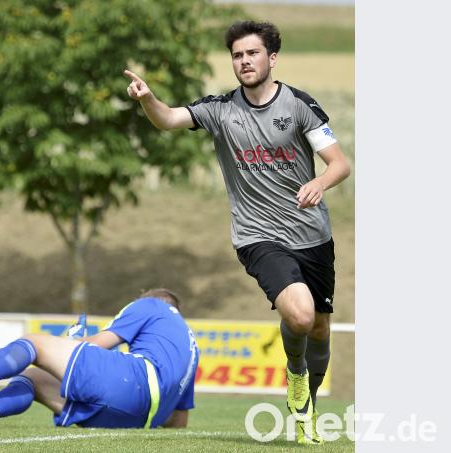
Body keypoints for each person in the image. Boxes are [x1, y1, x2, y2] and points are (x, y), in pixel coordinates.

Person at [124, 20, 351, 445]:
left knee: (319, 327)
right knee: (299, 315)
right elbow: (170, 119)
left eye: (251, 53)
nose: (244, 61)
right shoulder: (221, 109)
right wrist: (148, 99)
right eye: (237, 55)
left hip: (313, 235)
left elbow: (339, 163)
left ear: (272, 58)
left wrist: (320, 182)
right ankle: (295, 375)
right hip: (257, 235)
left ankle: (308, 405)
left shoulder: (300, 105)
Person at [0, 289, 199, 430]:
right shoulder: (190, 346)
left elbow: (100, 343)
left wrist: (72, 340)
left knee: (34, 343)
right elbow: (179, 420)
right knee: (34, 378)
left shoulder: (149, 305)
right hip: (137, 419)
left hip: (133, 382)